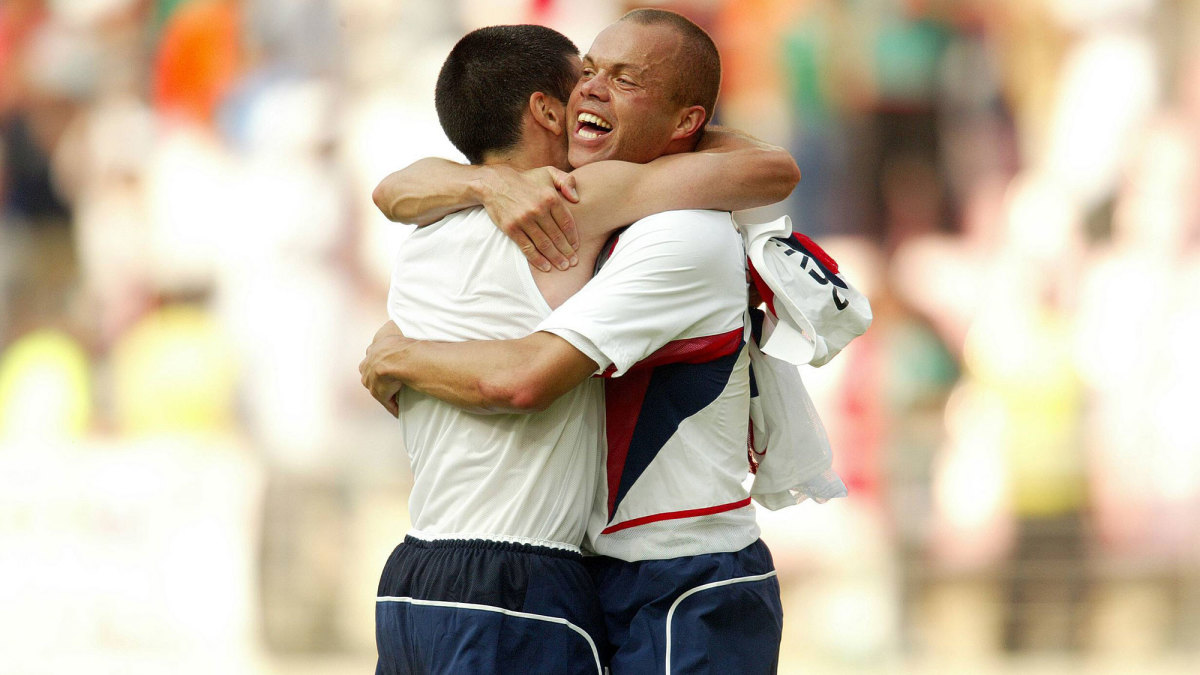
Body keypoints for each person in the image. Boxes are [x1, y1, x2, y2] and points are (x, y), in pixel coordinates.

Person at [363, 9, 793, 674]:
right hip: (520, 579)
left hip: (409, 578)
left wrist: (399, 353)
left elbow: (388, 189)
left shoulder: (420, 235)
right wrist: (680, 121)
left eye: (619, 79)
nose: (593, 91)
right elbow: (771, 170)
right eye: (585, 77)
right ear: (546, 110)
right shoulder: (579, 200)